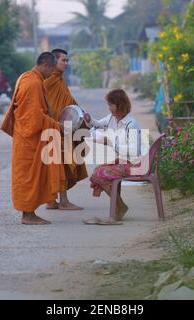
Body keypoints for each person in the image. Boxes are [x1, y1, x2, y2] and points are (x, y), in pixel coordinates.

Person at [11, 52, 66, 225]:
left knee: (29, 177)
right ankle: (28, 215)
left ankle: (29, 213)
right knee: (28, 177)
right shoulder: (33, 83)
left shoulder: (25, 77)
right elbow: (34, 117)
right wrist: (57, 126)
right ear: (46, 65)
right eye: (51, 70)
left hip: (25, 138)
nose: (51, 74)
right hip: (29, 140)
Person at [83, 89, 143, 222]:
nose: (109, 108)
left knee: (100, 174)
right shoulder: (113, 118)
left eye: (111, 105)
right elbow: (98, 124)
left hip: (133, 163)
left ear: (119, 105)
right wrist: (89, 119)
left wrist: (110, 143)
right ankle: (119, 206)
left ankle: (120, 207)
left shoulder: (131, 124)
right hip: (123, 161)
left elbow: (134, 150)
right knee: (97, 171)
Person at [43, 48, 88, 210]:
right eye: (64, 60)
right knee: (59, 164)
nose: (67, 63)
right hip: (54, 128)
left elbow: (69, 101)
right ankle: (62, 201)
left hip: (65, 128)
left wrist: (81, 113)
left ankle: (52, 200)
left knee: (60, 163)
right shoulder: (48, 81)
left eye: (67, 60)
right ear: (54, 61)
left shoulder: (60, 80)